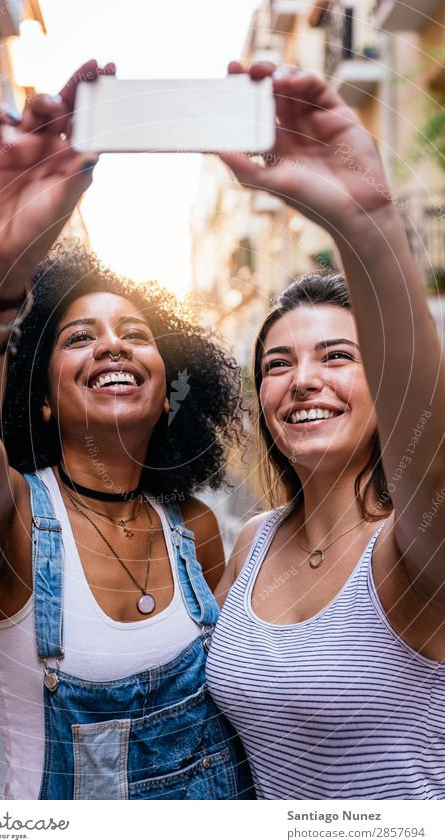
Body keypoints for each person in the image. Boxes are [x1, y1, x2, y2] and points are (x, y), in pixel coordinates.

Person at [0, 60, 254, 800]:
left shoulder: (195, 529)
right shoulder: (11, 522)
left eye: (134, 334)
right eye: (79, 338)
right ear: (40, 400)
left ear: (167, 386)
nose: (112, 345)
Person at [207, 62, 445, 799]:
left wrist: (364, 220)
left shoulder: (415, 541)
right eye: (278, 363)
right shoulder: (251, 542)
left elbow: (429, 457)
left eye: (339, 356)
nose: (303, 379)